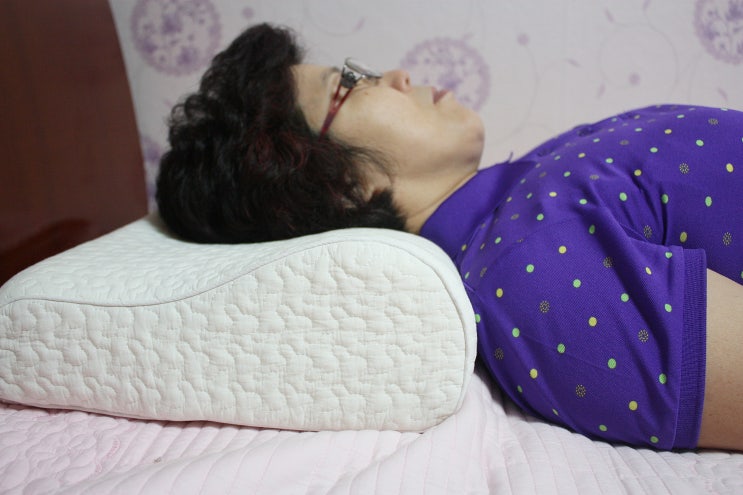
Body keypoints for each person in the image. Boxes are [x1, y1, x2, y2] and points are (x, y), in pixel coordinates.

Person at [156, 23, 743, 451]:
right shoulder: (527, 278)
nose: (398, 76)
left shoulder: (527, 195)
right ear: (340, 187)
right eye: (351, 83)